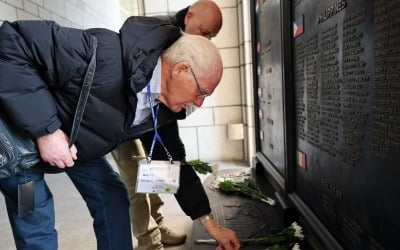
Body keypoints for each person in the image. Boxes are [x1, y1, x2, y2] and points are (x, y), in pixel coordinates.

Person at [0, 14, 240, 250]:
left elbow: (172, 164)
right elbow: (12, 40)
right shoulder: (100, 53)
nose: (199, 103)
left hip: (77, 143)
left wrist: (208, 222)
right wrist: (47, 131)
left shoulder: (162, 108)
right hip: (21, 146)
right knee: (34, 216)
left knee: (113, 198)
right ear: (181, 70)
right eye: (202, 92)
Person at [111, 1, 223, 249]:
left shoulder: (187, 48)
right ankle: (149, 242)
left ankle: (158, 223)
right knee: (135, 180)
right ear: (189, 16)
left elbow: (168, 132)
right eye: (205, 33)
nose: (208, 41)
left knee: (157, 173)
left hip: (151, 123)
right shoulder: (158, 35)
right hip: (121, 121)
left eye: (212, 37)